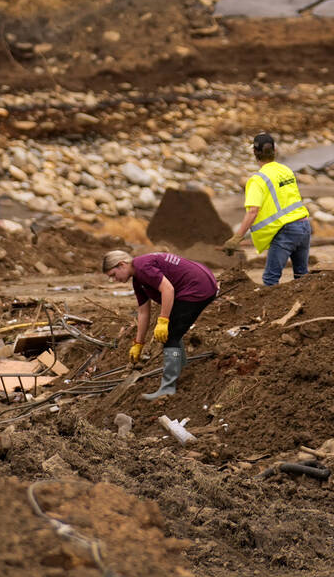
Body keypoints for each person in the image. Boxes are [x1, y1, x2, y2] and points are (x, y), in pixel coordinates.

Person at [102, 249, 218, 400]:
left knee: (170, 336)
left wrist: (163, 320)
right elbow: (143, 312)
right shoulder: (138, 280)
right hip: (200, 282)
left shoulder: (142, 267)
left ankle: (168, 388)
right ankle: (181, 372)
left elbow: (167, 289)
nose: (114, 280)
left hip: (197, 286)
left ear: (122, 265)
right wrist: (138, 343)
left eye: (113, 275)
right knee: (174, 332)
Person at [223, 132, 311, 286]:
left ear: (254, 153)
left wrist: (237, 237)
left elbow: (253, 211)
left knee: (270, 279)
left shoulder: (258, 180)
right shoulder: (286, 170)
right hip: (304, 226)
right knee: (301, 275)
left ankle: (271, 311)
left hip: (287, 231)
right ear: (275, 150)